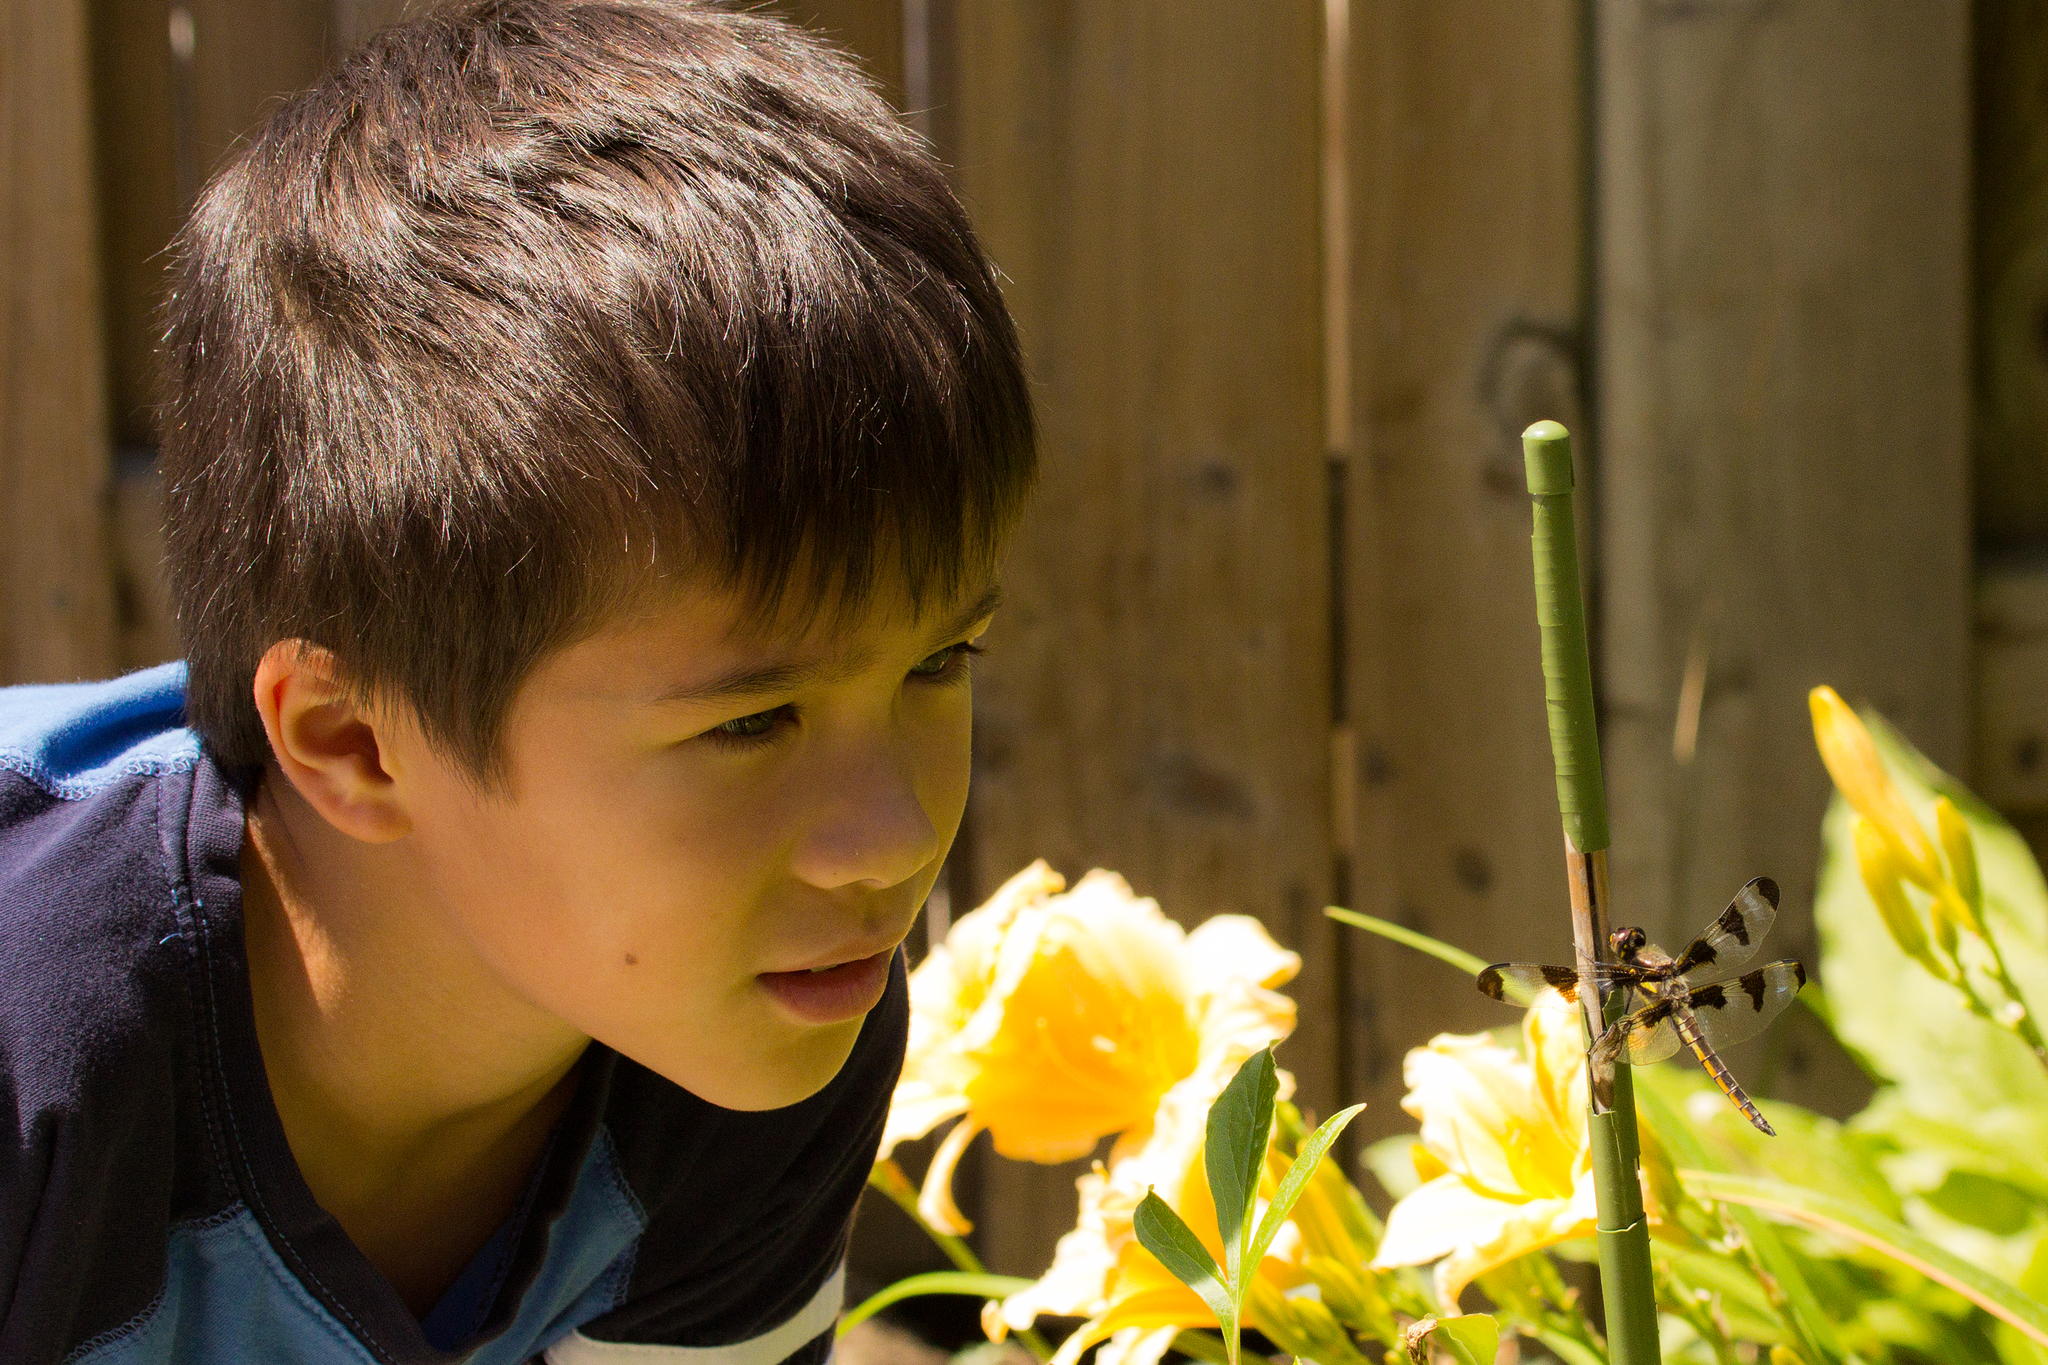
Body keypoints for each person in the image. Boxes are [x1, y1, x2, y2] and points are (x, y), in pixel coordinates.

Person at [0, 0, 1034, 1359]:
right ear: (354, 742)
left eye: (939, 661)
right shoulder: (35, 1065)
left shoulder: (757, 1040)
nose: (896, 838)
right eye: (753, 720)